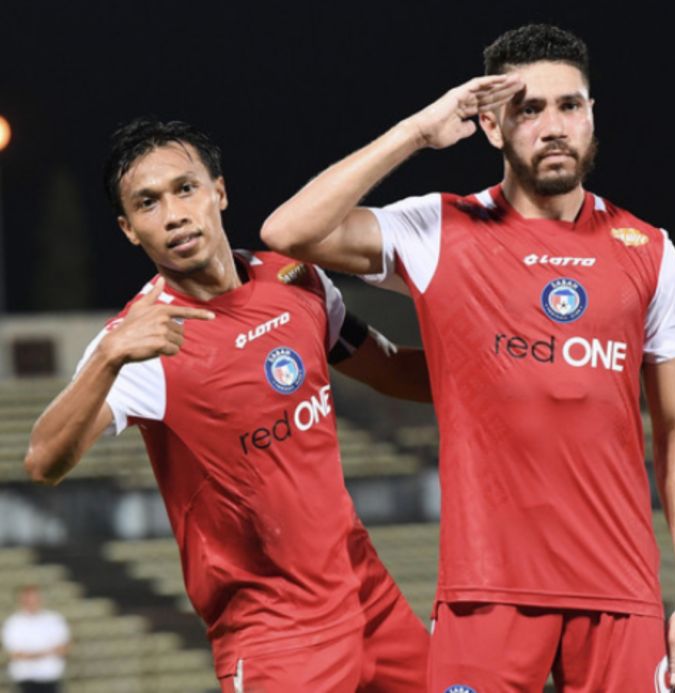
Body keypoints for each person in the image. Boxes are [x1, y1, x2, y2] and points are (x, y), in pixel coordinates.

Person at [261, 23, 675, 693]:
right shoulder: (440, 227)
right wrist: (418, 131)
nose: (553, 125)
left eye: (570, 105)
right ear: (492, 127)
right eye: (528, 109)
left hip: (621, 591)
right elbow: (286, 232)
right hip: (486, 591)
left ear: (592, 117)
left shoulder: (649, 249)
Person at [24, 118, 430, 692]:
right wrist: (108, 355)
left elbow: (388, 369)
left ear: (219, 191)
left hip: (365, 590)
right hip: (274, 633)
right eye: (147, 203)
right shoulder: (142, 339)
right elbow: (43, 461)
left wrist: (509, 370)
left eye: (184, 189)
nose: (172, 215)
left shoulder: (295, 279)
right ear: (129, 230)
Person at [2, 585, 70, 693]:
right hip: (25, 678)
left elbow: (63, 648)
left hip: (50, 676)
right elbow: (15, 654)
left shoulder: (54, 619)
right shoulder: (13, 623)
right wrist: (46, 653)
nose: (31, 603)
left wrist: (32, 655)